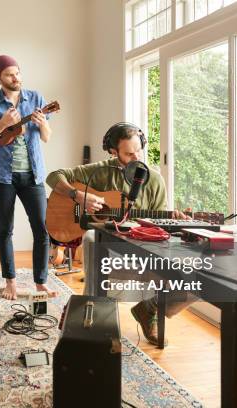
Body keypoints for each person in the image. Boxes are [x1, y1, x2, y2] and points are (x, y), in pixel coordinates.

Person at [46, 122, 193, 347]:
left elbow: (158, 225)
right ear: (114, 152)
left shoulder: (154, 180)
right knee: (92, 238)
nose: (136, 158)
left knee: (194, 280)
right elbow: (54, 176)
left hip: (142, 248)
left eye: (138, 151)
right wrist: (78, 196)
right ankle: (92, 314)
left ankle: (148, 309)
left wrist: (174, 221)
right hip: (110, 247)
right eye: (128, 154)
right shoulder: (100, 172)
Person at [0, 55, 57, 300]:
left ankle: (40, 282)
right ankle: (10, 282)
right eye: (10, 74)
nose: (16, 77)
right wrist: (2, 123)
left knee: (41, 229)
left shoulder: (36, 99)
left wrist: (42, 123)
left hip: (33, 174)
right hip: (3, 176)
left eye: (18, 72)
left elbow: (46, 137)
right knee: (5, 228)